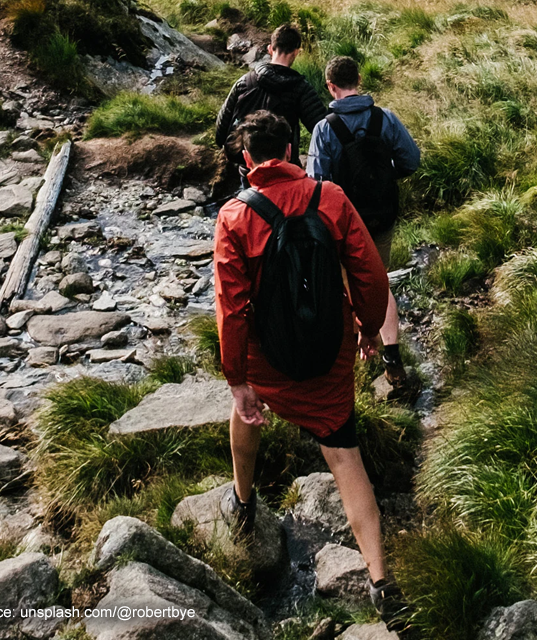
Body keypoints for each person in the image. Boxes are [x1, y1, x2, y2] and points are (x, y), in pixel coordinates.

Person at [213, 110, 407, 632]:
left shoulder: (234, 216)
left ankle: (244, 500)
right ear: (294, 150)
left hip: (265, 359)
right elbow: (370, 272)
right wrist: (367, 328)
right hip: (329, 351)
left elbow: (231, 309)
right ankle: (380, 578)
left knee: (246, 417)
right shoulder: (333, 198)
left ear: (248, 158)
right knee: (345, 455)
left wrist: (237, 381)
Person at [308, 55, 421, 385]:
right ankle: (392, 356)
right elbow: (411, 161)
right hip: (382, 217)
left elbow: (317, 186)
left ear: (330, 86)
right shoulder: (384, 118)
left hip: (345, 223)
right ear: (358, 79)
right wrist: (384, 179)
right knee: (378, 282)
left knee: (348, 288)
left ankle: (357, 356)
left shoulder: (324, 129)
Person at [215, 23, 327, 182]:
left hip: (249, 169)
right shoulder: (301, 88)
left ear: (270, 48)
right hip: (284, 171)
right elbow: (322, 129)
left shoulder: (244, 82)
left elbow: (221, 131)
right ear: (296, 52)